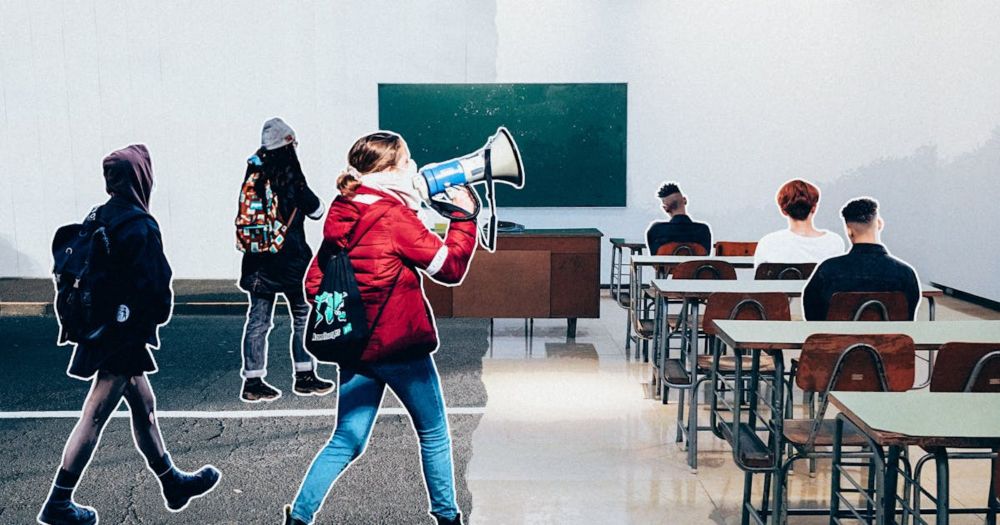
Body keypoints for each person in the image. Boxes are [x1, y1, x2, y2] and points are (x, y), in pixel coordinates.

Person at [283, 131, 477, 525]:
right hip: (399, 346)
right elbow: (450, 268)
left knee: (346, 440)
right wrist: (464, 216)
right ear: (388, 170)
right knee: (435, 434)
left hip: (355, 347)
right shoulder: (393, 217)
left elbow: (314, 283)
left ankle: (298, 518)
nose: (413, 168)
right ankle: (447, 517)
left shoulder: (344, 209)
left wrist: (356, 308)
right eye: (406, 162)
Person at [39, 145, 220, 525]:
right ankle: (58, 503)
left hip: (103, 327)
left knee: (145, 407)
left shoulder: (100, 214)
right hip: (121, 335)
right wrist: (148, 320)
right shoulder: (139, 223)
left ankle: (172, 482)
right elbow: (155, 286)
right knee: (94, 415)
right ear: (141, 177)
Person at [238, 118, 334, 402]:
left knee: (258, 321)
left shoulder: (253, 174)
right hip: (292, 259)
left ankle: (253, 381)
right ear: (289, 144)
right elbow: (317, 211)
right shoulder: (291, 174)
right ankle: (305, 376)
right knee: (303, 318)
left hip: (258, 260)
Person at [802, 197, 921, 320]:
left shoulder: (826, 270)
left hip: (838, 339)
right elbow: (907, 319)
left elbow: (812, 318)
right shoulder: (906, 274)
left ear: (849, 231)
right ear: (879, 224)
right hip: (888, 339)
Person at [754, 179, 845, 267]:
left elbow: (759, 280)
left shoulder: (768, 243)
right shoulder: (834, 242)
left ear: (783, 211)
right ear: (814, 207)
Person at [644, 181, 712, 255]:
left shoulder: (656, 230)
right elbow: (705, 258)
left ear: (666, 208)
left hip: (668, 267)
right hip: (694, 267)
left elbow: (655, 261)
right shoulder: (703, 230)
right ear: (685, 200)